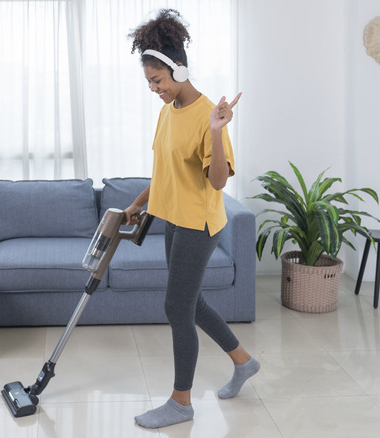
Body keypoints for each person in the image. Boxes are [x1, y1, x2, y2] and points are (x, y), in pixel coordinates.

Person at [124, 9, 259, 429]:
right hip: (173, 217)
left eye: (158, 80)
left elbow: (216, 181)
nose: (154, 89)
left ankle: (181, 402)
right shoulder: (168, 112)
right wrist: (138, 203)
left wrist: (217, 131)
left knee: (176, 306)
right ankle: (244, 361)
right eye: (149, 82)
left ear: (179, 69)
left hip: (199, 222)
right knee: (191, 301)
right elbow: (164, 171)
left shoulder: (206, 115)